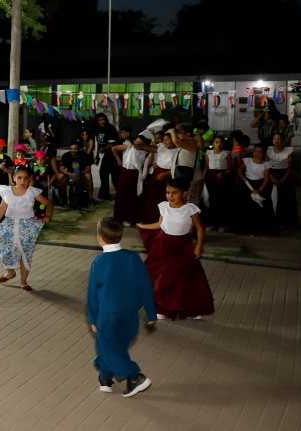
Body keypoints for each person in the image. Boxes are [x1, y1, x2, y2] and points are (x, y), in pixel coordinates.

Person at [88, 217, 158, 398]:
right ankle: (104, 377)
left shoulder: (99, 262)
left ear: (99, 238)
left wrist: (93, 318)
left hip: (107, 316)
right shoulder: (133, 258)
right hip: (130, 314)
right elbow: (145, 287)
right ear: (121, 236)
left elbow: (93, 295)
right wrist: (151, 312)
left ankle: (135, 376)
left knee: (107, 346)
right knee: (116, 346)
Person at [136, 178, 215, 320]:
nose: (170, 196)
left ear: (184, 194)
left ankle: (191, 308)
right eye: (168, 193)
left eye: (174, 193)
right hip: (164, 246)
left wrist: (199, 246)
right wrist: (142, 226)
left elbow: (200, 228)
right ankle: (162, 308)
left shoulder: (190, 209)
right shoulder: (164, 207)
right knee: (163, 276)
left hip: (183, 246)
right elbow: (159, 224)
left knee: (186, 277)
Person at [0, 165, 54, 292]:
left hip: (26, 227)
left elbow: (48, 204)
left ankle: (23, 282)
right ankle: (10, 272)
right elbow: (2, 209)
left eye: (25, 178)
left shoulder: (32, 192)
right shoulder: (7, 192)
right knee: (6, 249)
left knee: (25, 253)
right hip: (9, 224)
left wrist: (47, 215)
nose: (23, 181)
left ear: (30, 179)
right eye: (19, 178)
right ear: (14, 178)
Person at [236, 142, 276, 236]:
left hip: (259, 185)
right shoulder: (248, 161)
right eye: (255, 151)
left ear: (263, 153)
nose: (257, 154)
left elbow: (266, 179)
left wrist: (260, 190)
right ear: (253, 152)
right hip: (248, 185)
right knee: (247, 209)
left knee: (260, 209)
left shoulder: (265, 164)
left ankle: (261, 229)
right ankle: (248, 229)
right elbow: (239, 169)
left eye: (260, 152)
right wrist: (241, 176)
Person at [111, 130, 149, 227]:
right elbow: (114, 148)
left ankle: (131, 218)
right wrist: (118, 160)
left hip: (135, 174)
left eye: (140, 143)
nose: (137, 143)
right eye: (136, 141)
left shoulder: (145, 151)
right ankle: (121, 218)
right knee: (123, 195)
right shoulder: (128, 146)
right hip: (125, 172)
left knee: (132, 196)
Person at [202, 135, 233, 232]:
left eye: (220, 142)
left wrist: (223, 174)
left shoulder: (226, 154)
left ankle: (222, 224)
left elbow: (230, 168)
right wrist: (202, 177)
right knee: (211, 199)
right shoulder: (208, 153)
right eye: (216, 142)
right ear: (213, 144)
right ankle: (211, 223)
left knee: (221, 200)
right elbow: (206, 167)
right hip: (210, 177)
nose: (218, 144)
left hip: (222, 178)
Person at [267, 132, 298, 229]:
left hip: (285, 174)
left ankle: (284, 220)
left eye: (278, 138)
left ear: (283, 140)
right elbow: (266, 165)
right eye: (274, 138)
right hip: (271, 174)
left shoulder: (288, 150)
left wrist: (284, 178)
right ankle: (271, 219)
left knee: (285, 198)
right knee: (271, 198)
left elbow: (290, 166)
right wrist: (271, 178)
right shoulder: (269, 150)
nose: (276, 140)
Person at [92, 113, 121, 200]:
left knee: (115, 175)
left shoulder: (110, 128)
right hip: (106, 154)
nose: (103, 121)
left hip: (114, 153)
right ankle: (104, 194)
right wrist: (97, 155)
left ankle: (120, 194)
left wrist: (103, 149)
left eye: (104, 119)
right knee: (103, 173)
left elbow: (111, 144)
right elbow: (98, 144)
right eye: (100, 120)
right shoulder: (97, 129)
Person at [58, 141, 93, 207]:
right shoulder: (66, 155)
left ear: (78, 148)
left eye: (75, 149)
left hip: (81, 175)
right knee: (60, 176)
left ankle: (89, 199)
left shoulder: (84, 155)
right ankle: (64, 199)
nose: (73, 150)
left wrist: (78, 173)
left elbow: (88, 169)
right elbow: (61, 169)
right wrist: (70, 174)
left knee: (88, 175)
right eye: (71, 148)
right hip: (70, 175)